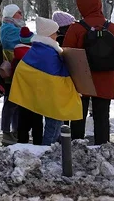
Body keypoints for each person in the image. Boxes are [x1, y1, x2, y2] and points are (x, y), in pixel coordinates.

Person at [11, 16, 82, 146]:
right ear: (49, 34)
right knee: (53, 125)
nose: (56, 36)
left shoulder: (38, 49)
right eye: (55, 33)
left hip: (43, 94)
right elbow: (57, 77)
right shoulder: (49, 52)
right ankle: (47, 151)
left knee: (55, 125)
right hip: (52, 96)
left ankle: (57, 149)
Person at [64, 0, 114, 145]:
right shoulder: (112, 28)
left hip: (82, 79)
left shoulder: (76, 28)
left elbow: (66, 53)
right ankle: (102, 147)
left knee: (78, 116)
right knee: (102, 117)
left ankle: (77, 147)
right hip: (107, 78)